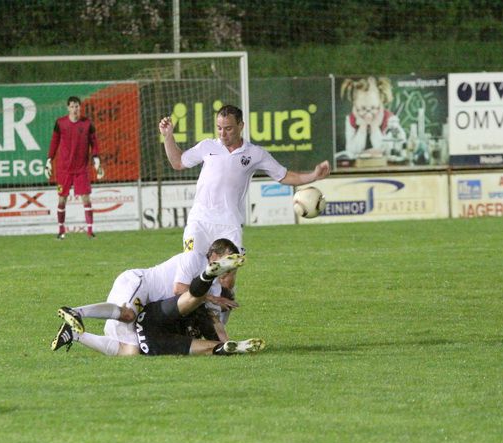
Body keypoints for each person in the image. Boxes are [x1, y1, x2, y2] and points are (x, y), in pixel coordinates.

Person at [158, 104, 331, 312]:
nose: (223, 133)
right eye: (219, 128)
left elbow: (284, 176)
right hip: (199, 222)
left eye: (228, 128)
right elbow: (178, 162)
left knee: (227, 281)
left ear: (241, 126)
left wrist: (313, 176)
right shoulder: (207, 146)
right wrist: (168, 136)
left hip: (229, 225)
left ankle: (219, 325)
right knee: (190, 271)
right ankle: (191, 320)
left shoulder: (255, 153)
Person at [51, 250, 265, 356]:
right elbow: (180, 290)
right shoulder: (193, 258)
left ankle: (75, 334)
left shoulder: (219, 292)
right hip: (142, 287)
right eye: (228, 271)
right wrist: (210, 299)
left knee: (131, 351)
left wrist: (227, 339)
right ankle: (76, 312)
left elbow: (216, 322)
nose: (229, 277)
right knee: (128, 315)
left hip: (151, 319)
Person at [45, 96, 101, 239]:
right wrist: (49, 159)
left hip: (81, 169)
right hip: (63, 169)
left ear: (80, 107)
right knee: (62, 199)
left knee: (86, 199)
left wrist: (96, 158)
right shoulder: (60, 123)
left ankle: (90, 231)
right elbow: (54, 142)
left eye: (77, 106)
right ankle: (61, 230)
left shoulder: (87, 124)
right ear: (68, 108)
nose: (75, 109)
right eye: (72, 107)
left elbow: (94, 143)